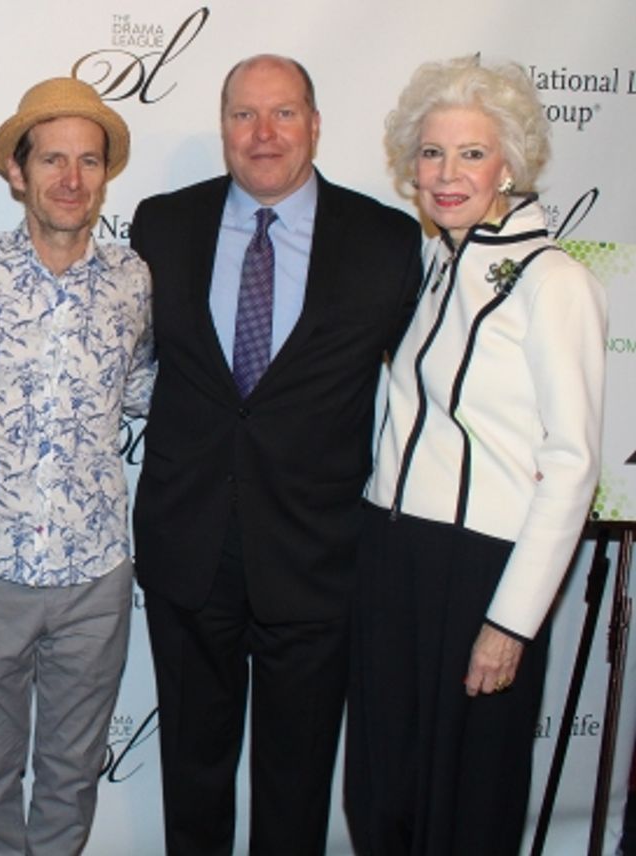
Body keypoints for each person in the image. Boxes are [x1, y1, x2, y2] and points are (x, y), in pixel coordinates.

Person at [129, 54, 422, 855]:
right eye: (244, 115)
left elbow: (423, 393)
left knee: (296, 786)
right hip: (189, 549)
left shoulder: (388, 241)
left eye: (283, 114)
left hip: (316, 557)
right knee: (192, 774)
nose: (263, 135)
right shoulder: (160, 225)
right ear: (223, 126)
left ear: (316, 124)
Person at [347, 55, 606, 856]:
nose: (447, 173)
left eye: (471, 154)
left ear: (509, 166)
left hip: (483, 572)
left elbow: (572, 463)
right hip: (391, 558)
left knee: (465, 805)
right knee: (382, 792)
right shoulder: (432, 267)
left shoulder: (552, 281)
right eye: (431, 153)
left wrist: (511, 621)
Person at [0, 77, 153, 856]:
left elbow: (143, 393)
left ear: (105, 175)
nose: (72, 179)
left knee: (70, 780)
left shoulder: (135, 280)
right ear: (17, 173)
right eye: (54, 160)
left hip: (96, 574)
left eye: (89, 162)